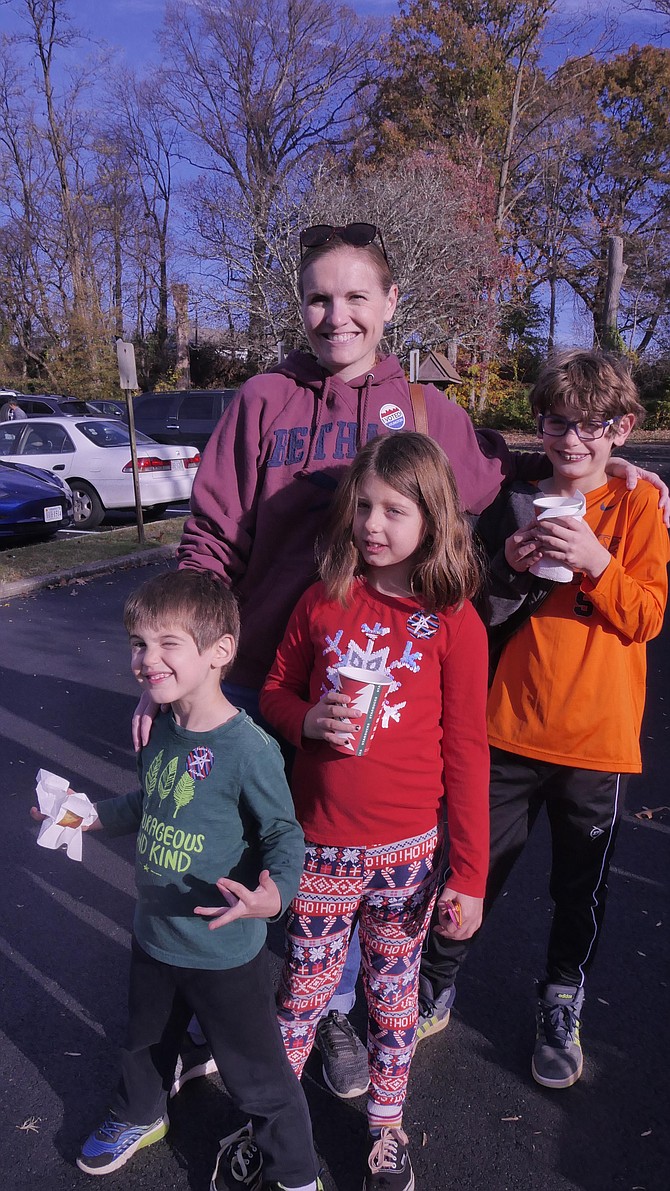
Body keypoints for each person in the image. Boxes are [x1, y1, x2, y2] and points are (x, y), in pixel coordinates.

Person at [133, 222, 665, 1102]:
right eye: (317, 296)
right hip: (249, 682)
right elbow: (209, 541)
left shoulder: (427, 414)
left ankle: (334, 1012)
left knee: (341, 862)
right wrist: (176, 665)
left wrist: (611, 471)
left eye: (354, 297)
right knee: (217, 861)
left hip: (365, 697)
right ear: (300, 305)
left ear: (389, 307)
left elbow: (510, 467)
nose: (335, 315)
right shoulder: (262, 399)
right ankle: (209, 1020)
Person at [416, 350, 670, 1092]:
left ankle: (562, 998)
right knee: (470, 872)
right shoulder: (516, 498)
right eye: (560, 422)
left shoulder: (640, 507)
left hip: (597, 740)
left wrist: (596, 559)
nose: (574, 440)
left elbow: (649, 616)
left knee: (577, 887)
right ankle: (433, 983)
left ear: (622, 429)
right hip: (504, 729)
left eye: (594, 426)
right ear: (542, 423)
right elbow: (466, 603)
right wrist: (509, 565)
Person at [250, 431, 490, 1190]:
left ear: (434, 519)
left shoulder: (456, 623)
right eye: (363, 506)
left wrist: (473, 874)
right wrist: (304, 721)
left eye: (395, 509)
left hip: (410, 860)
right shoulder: (323, 602)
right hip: (320, 852)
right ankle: (273, 1130)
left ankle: (386, 1128)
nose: (373, 524)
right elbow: (274, 691)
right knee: (299, 1002)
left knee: (394, 1001)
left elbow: (468, 755)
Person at [33, 570, 322, 1191]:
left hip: (222, 949)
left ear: (219, 651)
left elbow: (283, 834)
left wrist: (275, 895)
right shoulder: (163, 726)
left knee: (259, 1079)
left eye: (168, 643)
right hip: (154, 930)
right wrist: (83, 816)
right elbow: (148, 803)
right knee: (142, 1040)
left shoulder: (248, 749)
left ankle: (297, 1174)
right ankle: (141, 1112)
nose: (146, 658)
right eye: (138, 642)